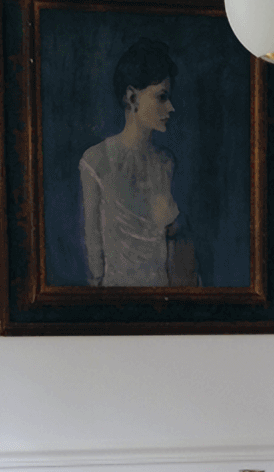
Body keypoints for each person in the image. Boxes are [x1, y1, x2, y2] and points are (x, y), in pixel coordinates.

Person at [80, 39, 197, 287]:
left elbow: (171, 240)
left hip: (161, 293)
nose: (171, 107)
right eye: (162, 97)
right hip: (115, 295)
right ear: (132, 97)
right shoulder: (96, 160)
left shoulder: (166, 163)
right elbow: (94, 250)